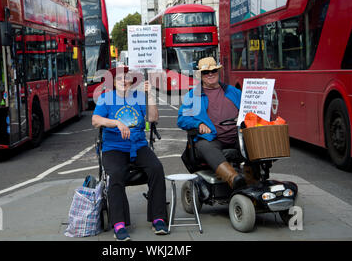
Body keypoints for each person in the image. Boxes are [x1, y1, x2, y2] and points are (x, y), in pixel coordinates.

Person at [92, 67, 168, 241]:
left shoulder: (139, 97)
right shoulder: (106, 98)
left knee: (156, 168)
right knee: (116, 173)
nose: (124, 80)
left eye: (127, 78)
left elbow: (153, 118)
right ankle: (119, 224)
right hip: (114, 147)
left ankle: (158, 218)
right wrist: (116, 123)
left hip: (138, 145)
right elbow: (95, 120)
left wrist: (150, 95)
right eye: (120, 78)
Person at [177, 57, 248, 190]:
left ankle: (255, 178)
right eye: (206, 72)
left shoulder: (233, 91)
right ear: (201, 75)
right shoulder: (193, 96)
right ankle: (234, 179)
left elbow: (249, 109)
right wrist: (198, 124)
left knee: (253, 140)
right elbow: (181, 119)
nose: (210, 74)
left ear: (218, 71)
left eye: (213, 71)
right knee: (204, 146)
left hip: (236, 135)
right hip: (212, 138)